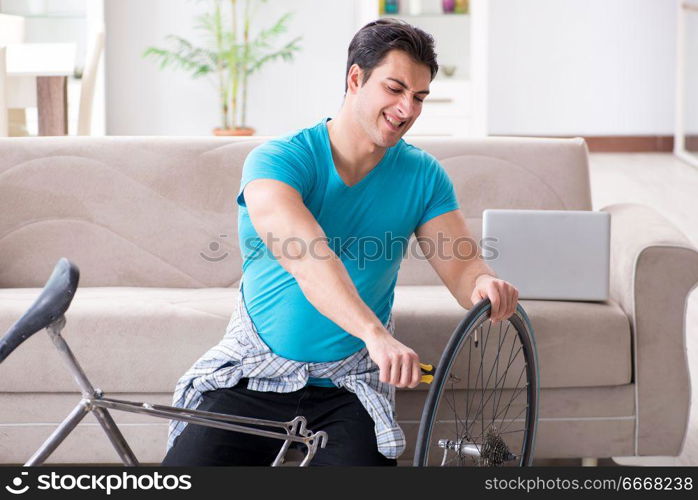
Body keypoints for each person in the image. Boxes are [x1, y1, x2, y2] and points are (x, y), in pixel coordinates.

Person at [162, 18, 518, 467]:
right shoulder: (278, 161)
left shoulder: (424, 176)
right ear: (355, 78)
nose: (407, 109)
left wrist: (484, 283)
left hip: (348, 387)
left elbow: (462, 266)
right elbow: (309, 258)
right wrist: (376, 335)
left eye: (419, 97)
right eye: (395, 88)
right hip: (250, 378)